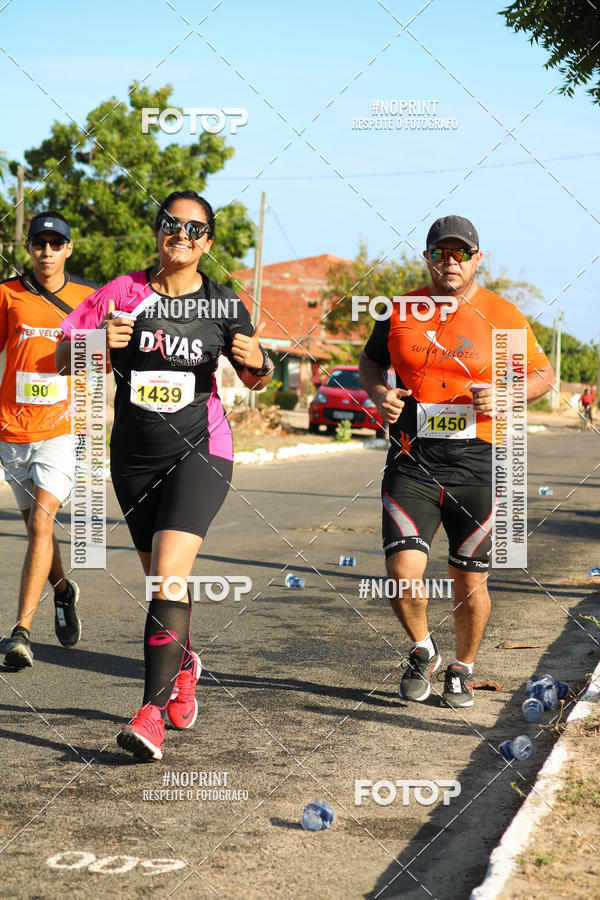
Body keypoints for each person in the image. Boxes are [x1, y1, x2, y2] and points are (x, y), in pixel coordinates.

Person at [56, 190, 273, 760]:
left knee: (170, 575)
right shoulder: (120, 292)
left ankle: (148, 713)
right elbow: (62, 359)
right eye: (171, 224)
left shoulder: (225, 305)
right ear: (157, 230)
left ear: (209, 241)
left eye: (195, 228)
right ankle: (185, 664)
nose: (182, 234)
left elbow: (255, 378)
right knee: (160, 581)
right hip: (132, 457)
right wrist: (96, 344)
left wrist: (259, 362)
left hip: (202, 450)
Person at [359, 215, 554, 708]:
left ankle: (463, 668)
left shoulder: (503, 317)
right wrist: (380, 393)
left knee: (470, 579)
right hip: (412, 459)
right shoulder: (401, 309)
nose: (451, 261)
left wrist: (508, 394)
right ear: (427, 258)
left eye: (461, 253)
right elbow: (370, 361)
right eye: (441, 253)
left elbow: (542, 375)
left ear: (476, 259)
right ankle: (422, 650)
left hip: (481, 465)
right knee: (403, 573)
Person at [1, 212, 98, 668]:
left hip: (63, 427)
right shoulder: (7, 294)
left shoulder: (88, 298)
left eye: (55, 244)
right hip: (13, 427)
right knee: (37, 529)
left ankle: (20, 633)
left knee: (42, 524)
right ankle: (63, 590)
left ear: (69, 249)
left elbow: (98, 360)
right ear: (29, 249)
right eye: (38, 244)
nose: (46, 252)